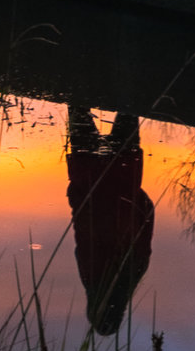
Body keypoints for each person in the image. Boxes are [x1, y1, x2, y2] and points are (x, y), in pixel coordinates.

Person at [65, 105, 156, 336]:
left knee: (127, 104)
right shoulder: (92, 276)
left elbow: (146, 221)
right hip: (89, 174)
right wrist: (76, 195)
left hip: (122, 172)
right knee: (79, 103)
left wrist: (137, 197)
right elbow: (83, 230)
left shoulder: (134, 271)